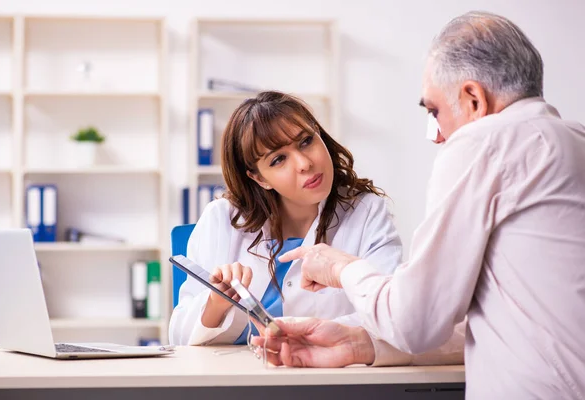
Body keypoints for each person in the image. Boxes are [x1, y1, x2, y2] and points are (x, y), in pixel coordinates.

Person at [253, 11, 585, 399]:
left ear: (473, 99)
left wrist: (341, 267)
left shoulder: (484, 144)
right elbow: (517, 319)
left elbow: (414, 321)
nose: (437, 135)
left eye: (434, 112)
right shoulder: (571, 141)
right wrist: (361, 343)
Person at [169, 91, 404, 346]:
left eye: (305, 141)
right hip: (236, 379)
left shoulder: (367, 212)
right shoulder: (221, 219)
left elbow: (392, 315)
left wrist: (313, 333)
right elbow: (179, 338)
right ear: (259, 178)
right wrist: (217, 303)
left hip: (330, 378)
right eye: (279, 159)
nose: (304, 163)